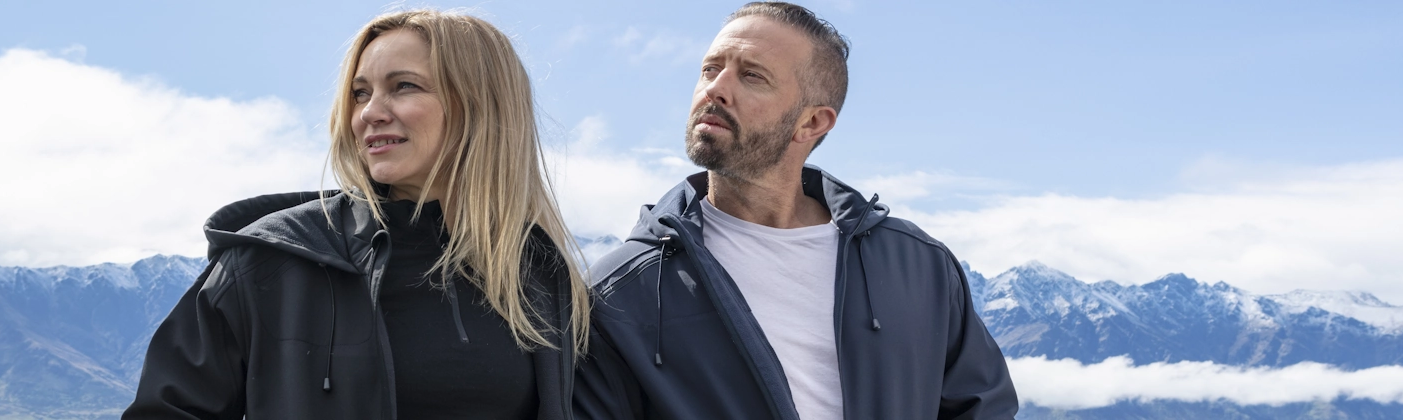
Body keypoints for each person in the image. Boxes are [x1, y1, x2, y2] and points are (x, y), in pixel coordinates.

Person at [124, 9, 589, 419]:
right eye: (361, 94)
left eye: (403, 86)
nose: (370, 113)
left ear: (481, 104)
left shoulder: (542, 276)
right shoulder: (270, 263)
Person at [573, 2, 1018, 419]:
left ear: (812, 122)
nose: (716, 89)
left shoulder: (918, 265)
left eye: (752, 76)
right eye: (710, 69)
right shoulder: (618, 292)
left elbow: (982, 408)